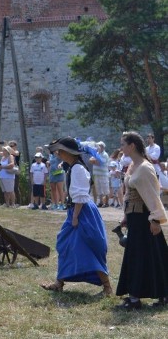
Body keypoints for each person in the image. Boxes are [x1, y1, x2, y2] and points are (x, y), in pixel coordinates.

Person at [41, 137, 112, 296]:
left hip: (83, 212)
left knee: (89, 248)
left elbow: (80, 195)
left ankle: (107, 287)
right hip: (78, 211)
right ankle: (59, 282)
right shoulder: (73, 166)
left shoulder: (78, 169)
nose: (58, 154)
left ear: (68, 152)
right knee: (65, 243)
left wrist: (75, 217)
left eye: (60, 151)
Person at [115, 131, 168, 309]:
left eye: (123, 144)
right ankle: (146, 295)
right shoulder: (132, 166)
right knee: (145, 256)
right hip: (135, 218)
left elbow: (153, 195)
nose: (121, 148)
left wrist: (155, 220)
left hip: (145, 218)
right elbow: (130, 194)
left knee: (152, 256)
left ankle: (137, 298)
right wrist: (126, 215)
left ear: (132, 146)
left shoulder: (145, 168)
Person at [90, 141, 111, 207]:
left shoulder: (105, 154)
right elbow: (91, 160)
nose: (97, 147)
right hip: (97, 174)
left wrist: (95, 161)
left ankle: (106, 203)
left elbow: (100, 163)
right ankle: (101, 202)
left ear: (102, 147)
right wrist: (95, 161)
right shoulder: (96, 153)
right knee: (99, 189)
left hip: (103, 174)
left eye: (99, 146)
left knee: (105, 188)